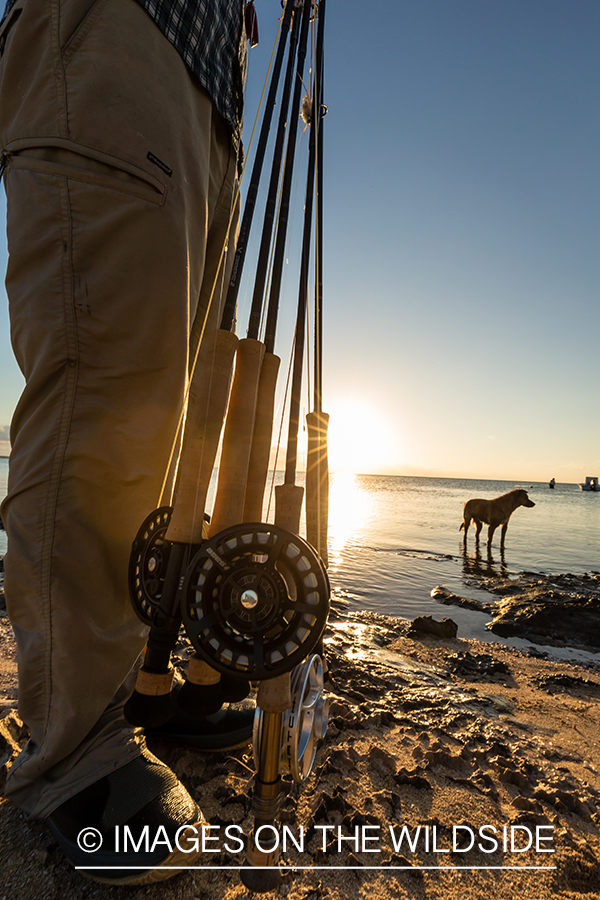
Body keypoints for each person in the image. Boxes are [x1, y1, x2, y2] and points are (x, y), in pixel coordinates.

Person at [0, 0, 252, 883]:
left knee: (168, 426)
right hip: (121, 34)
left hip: (215, 99)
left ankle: (142, 680)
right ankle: (75, 752)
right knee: (104, 392)